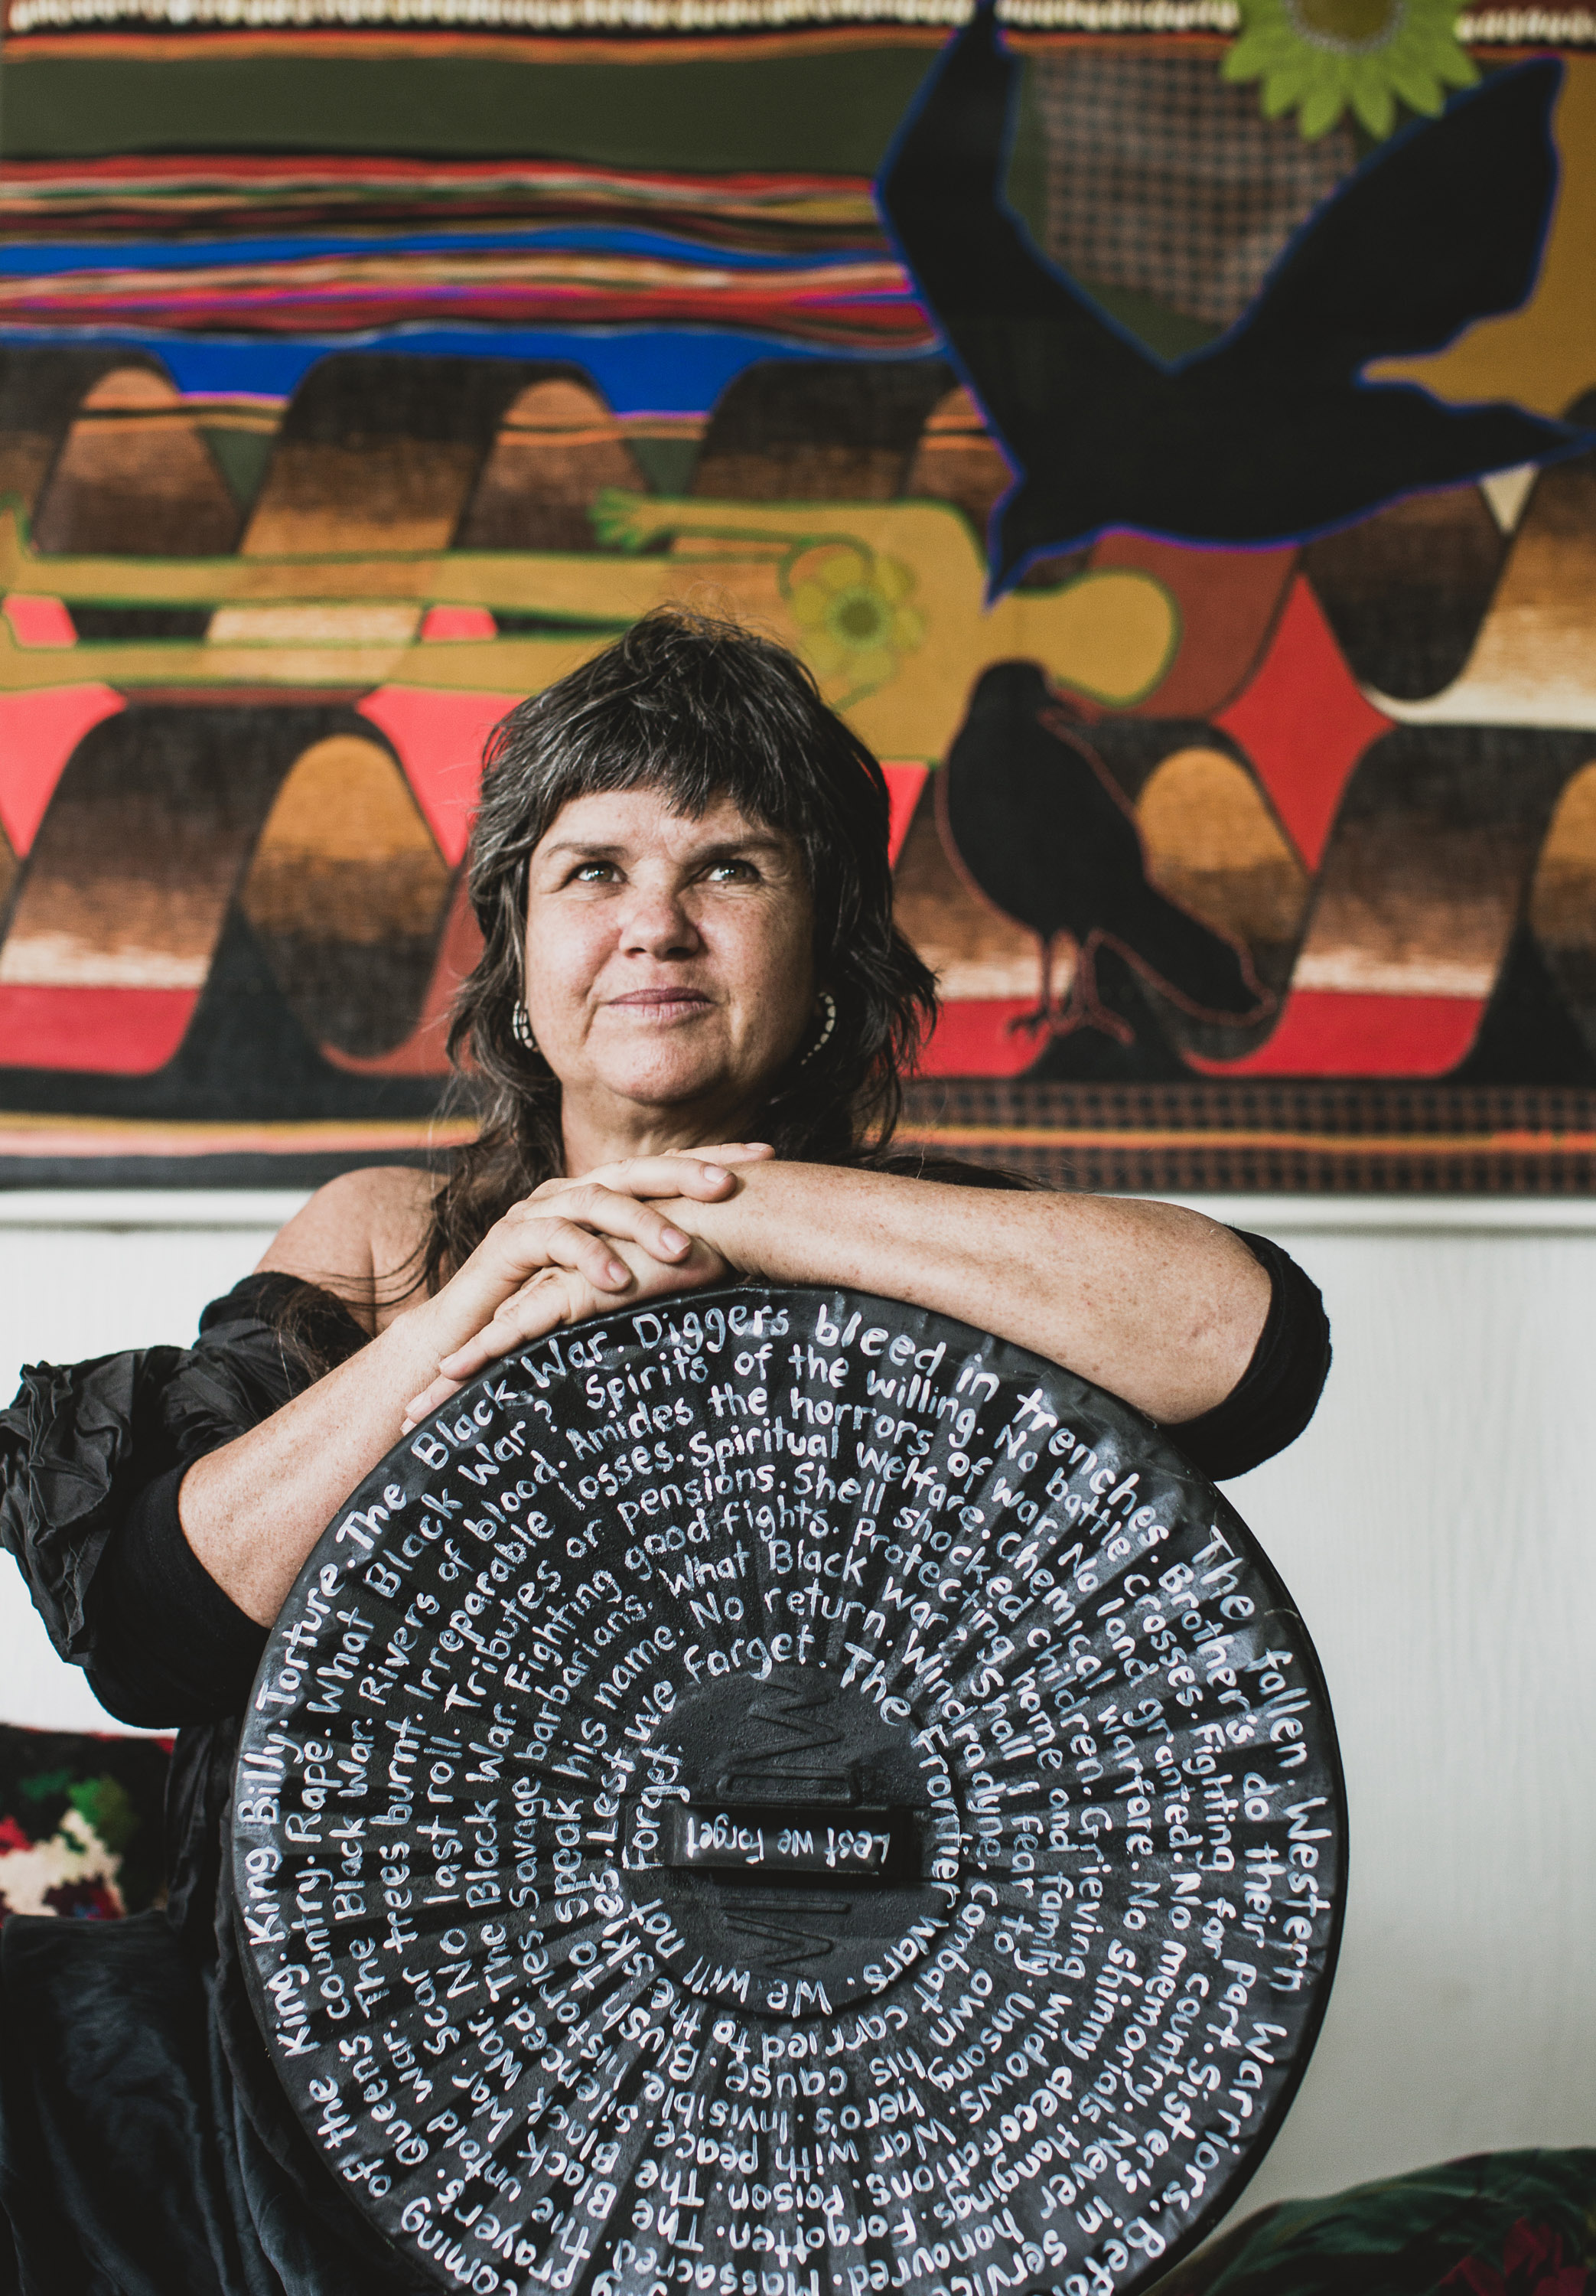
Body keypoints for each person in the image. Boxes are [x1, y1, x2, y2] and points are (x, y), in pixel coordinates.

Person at [0, 610, 1330, 2295]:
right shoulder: (386, 1237)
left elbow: (1252, 1350)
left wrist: (729, 1195)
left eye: (730, 870)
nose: (654, 928)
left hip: (818, 2075)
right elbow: (143, 1621)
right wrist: (460, 1324)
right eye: (593, 871)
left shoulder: (920, 1249)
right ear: (514, 947)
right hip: (354, 2070)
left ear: (828, 938)